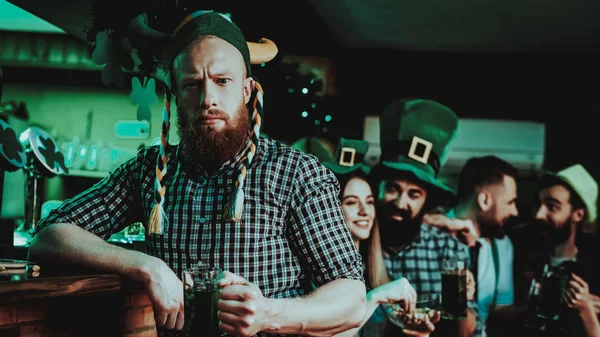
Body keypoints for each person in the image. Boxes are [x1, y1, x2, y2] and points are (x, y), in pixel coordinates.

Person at [28, 10, 366, 337]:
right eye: (192, 84)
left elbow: (351, 298)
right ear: (175, 92)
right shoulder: (148, 172)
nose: (208, 99)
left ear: (247, 90)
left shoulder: (296, 173)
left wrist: (268, 314)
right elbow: (48, 236)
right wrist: (146, 267)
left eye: (222, 81)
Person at [364, 98, 481, 337]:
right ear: (378, 188)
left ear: (427, 201)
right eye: (393, 188)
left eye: (414, 194)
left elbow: (469, 332)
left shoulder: (448, 249)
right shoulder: (355, 240)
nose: (400, 203)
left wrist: (461, 303)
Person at [323, 138, 423, 337]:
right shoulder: (318, 276)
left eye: (369, 202)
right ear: (332, 210)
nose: (364, 211)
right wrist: (376, 297)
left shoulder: (375, 271)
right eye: (351, 202)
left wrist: (418, 332)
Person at [426, 156, 519, 336]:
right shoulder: (432, 233)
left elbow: (499, 310)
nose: (515, 212)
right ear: (484, 201)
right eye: (510, 202)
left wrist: (534, 309)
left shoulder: (502, 246)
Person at [523, 164, 600, 336]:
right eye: (539, 204)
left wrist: (585, 308)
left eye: (552, 206)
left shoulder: (594, 272)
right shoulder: (520, 258)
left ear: (578, 215)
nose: (539, 215)